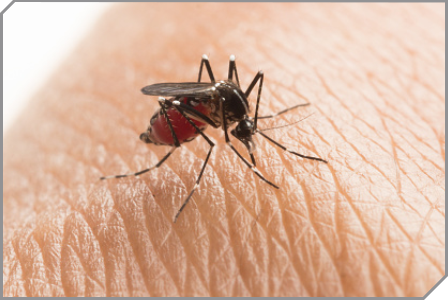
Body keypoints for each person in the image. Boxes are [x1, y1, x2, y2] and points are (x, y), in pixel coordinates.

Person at [3, 3, 444, 297]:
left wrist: (260, 134)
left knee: (226, 96)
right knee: (212, 145)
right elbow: (215, 126)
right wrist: (231, 152)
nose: (246, 132)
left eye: (249, 126)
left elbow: (243, 108)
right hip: (176, 115)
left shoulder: (241, 107)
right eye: (249, 129)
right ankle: (166, 164)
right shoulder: (225, 117)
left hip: (204, 104)